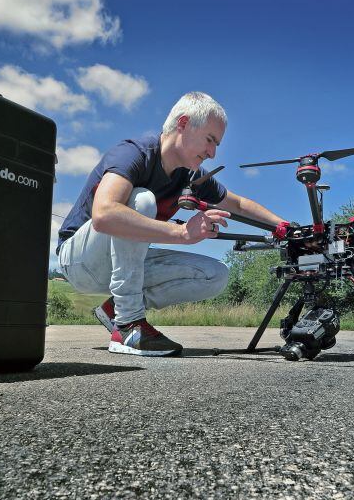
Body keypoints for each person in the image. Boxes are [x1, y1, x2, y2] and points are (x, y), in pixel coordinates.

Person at [56, 92, 286, 356]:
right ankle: (129, 324)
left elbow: (238, 205)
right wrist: (181, 233)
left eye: (217, 144)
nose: (212, 153)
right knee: (141, 200)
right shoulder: (134, 153)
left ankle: (115, 309)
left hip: (124, 263)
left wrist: (284, 227)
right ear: (184, 123)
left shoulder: (192, 177)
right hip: (80, 262)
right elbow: (105, 214)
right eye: (210, 140)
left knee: (216, 274)